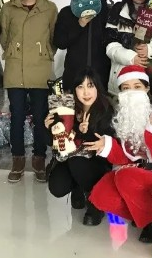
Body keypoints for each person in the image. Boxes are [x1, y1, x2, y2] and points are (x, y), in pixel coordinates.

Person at [87, 64, 152, 243]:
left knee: (125, 177)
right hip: (132, 171)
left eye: (137, 87)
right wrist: (107, 146)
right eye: (125, 88)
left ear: (147, 88)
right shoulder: (124, 116)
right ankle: (140, 213)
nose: (131, 93)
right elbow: (124, 158)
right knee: (100, 195)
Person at [0, 0, 58, 183]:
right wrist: (14, 50)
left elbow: (53, 36)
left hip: (40, 68)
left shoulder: (50, 8)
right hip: (15, 67)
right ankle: (18, 160)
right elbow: (4, 36)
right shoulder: (8, 7)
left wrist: (45, 52)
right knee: (16, 116)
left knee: (41, 116)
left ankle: (39, 159)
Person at [45, 68, 114, 226]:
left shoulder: (105, 110)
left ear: (97, 87)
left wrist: (86, 132)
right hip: (70, 161)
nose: (86, 92)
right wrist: (48, 128)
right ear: (74, 90)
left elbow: (107, 145)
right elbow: (52, 142)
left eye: (90, 85)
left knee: (78, 161)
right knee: (57, 186)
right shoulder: (66, 108)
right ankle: (78, 187)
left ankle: (96, 203)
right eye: (80, 86)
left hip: (97, 165)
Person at [53, 0, 111, 91]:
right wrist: (79, 25)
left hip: (102, 75)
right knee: (71, 103)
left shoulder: (108, 12)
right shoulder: (66, 12)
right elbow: (60, 43)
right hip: (74, 75)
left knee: (102, 103)